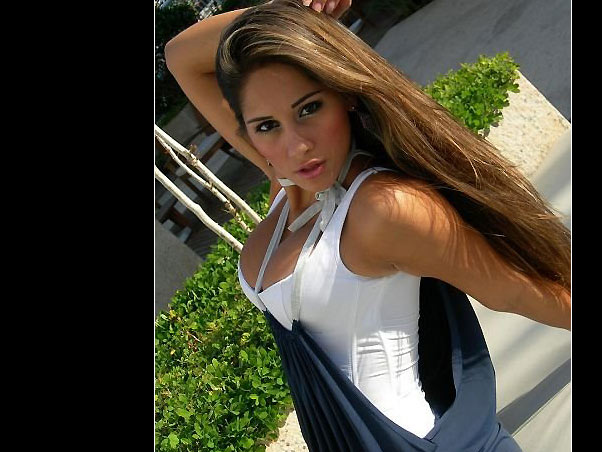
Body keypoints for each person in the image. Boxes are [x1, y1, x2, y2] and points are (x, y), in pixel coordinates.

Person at [164, 0, 570, 449]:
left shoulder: (382, 208)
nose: (296, 145)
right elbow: (180, 56)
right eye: (266, 126)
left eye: (309, 108)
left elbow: (512, 291)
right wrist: (287, 9)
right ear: (246, 131)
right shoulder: (287, 183)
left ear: (345, 95)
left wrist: (296, 17)